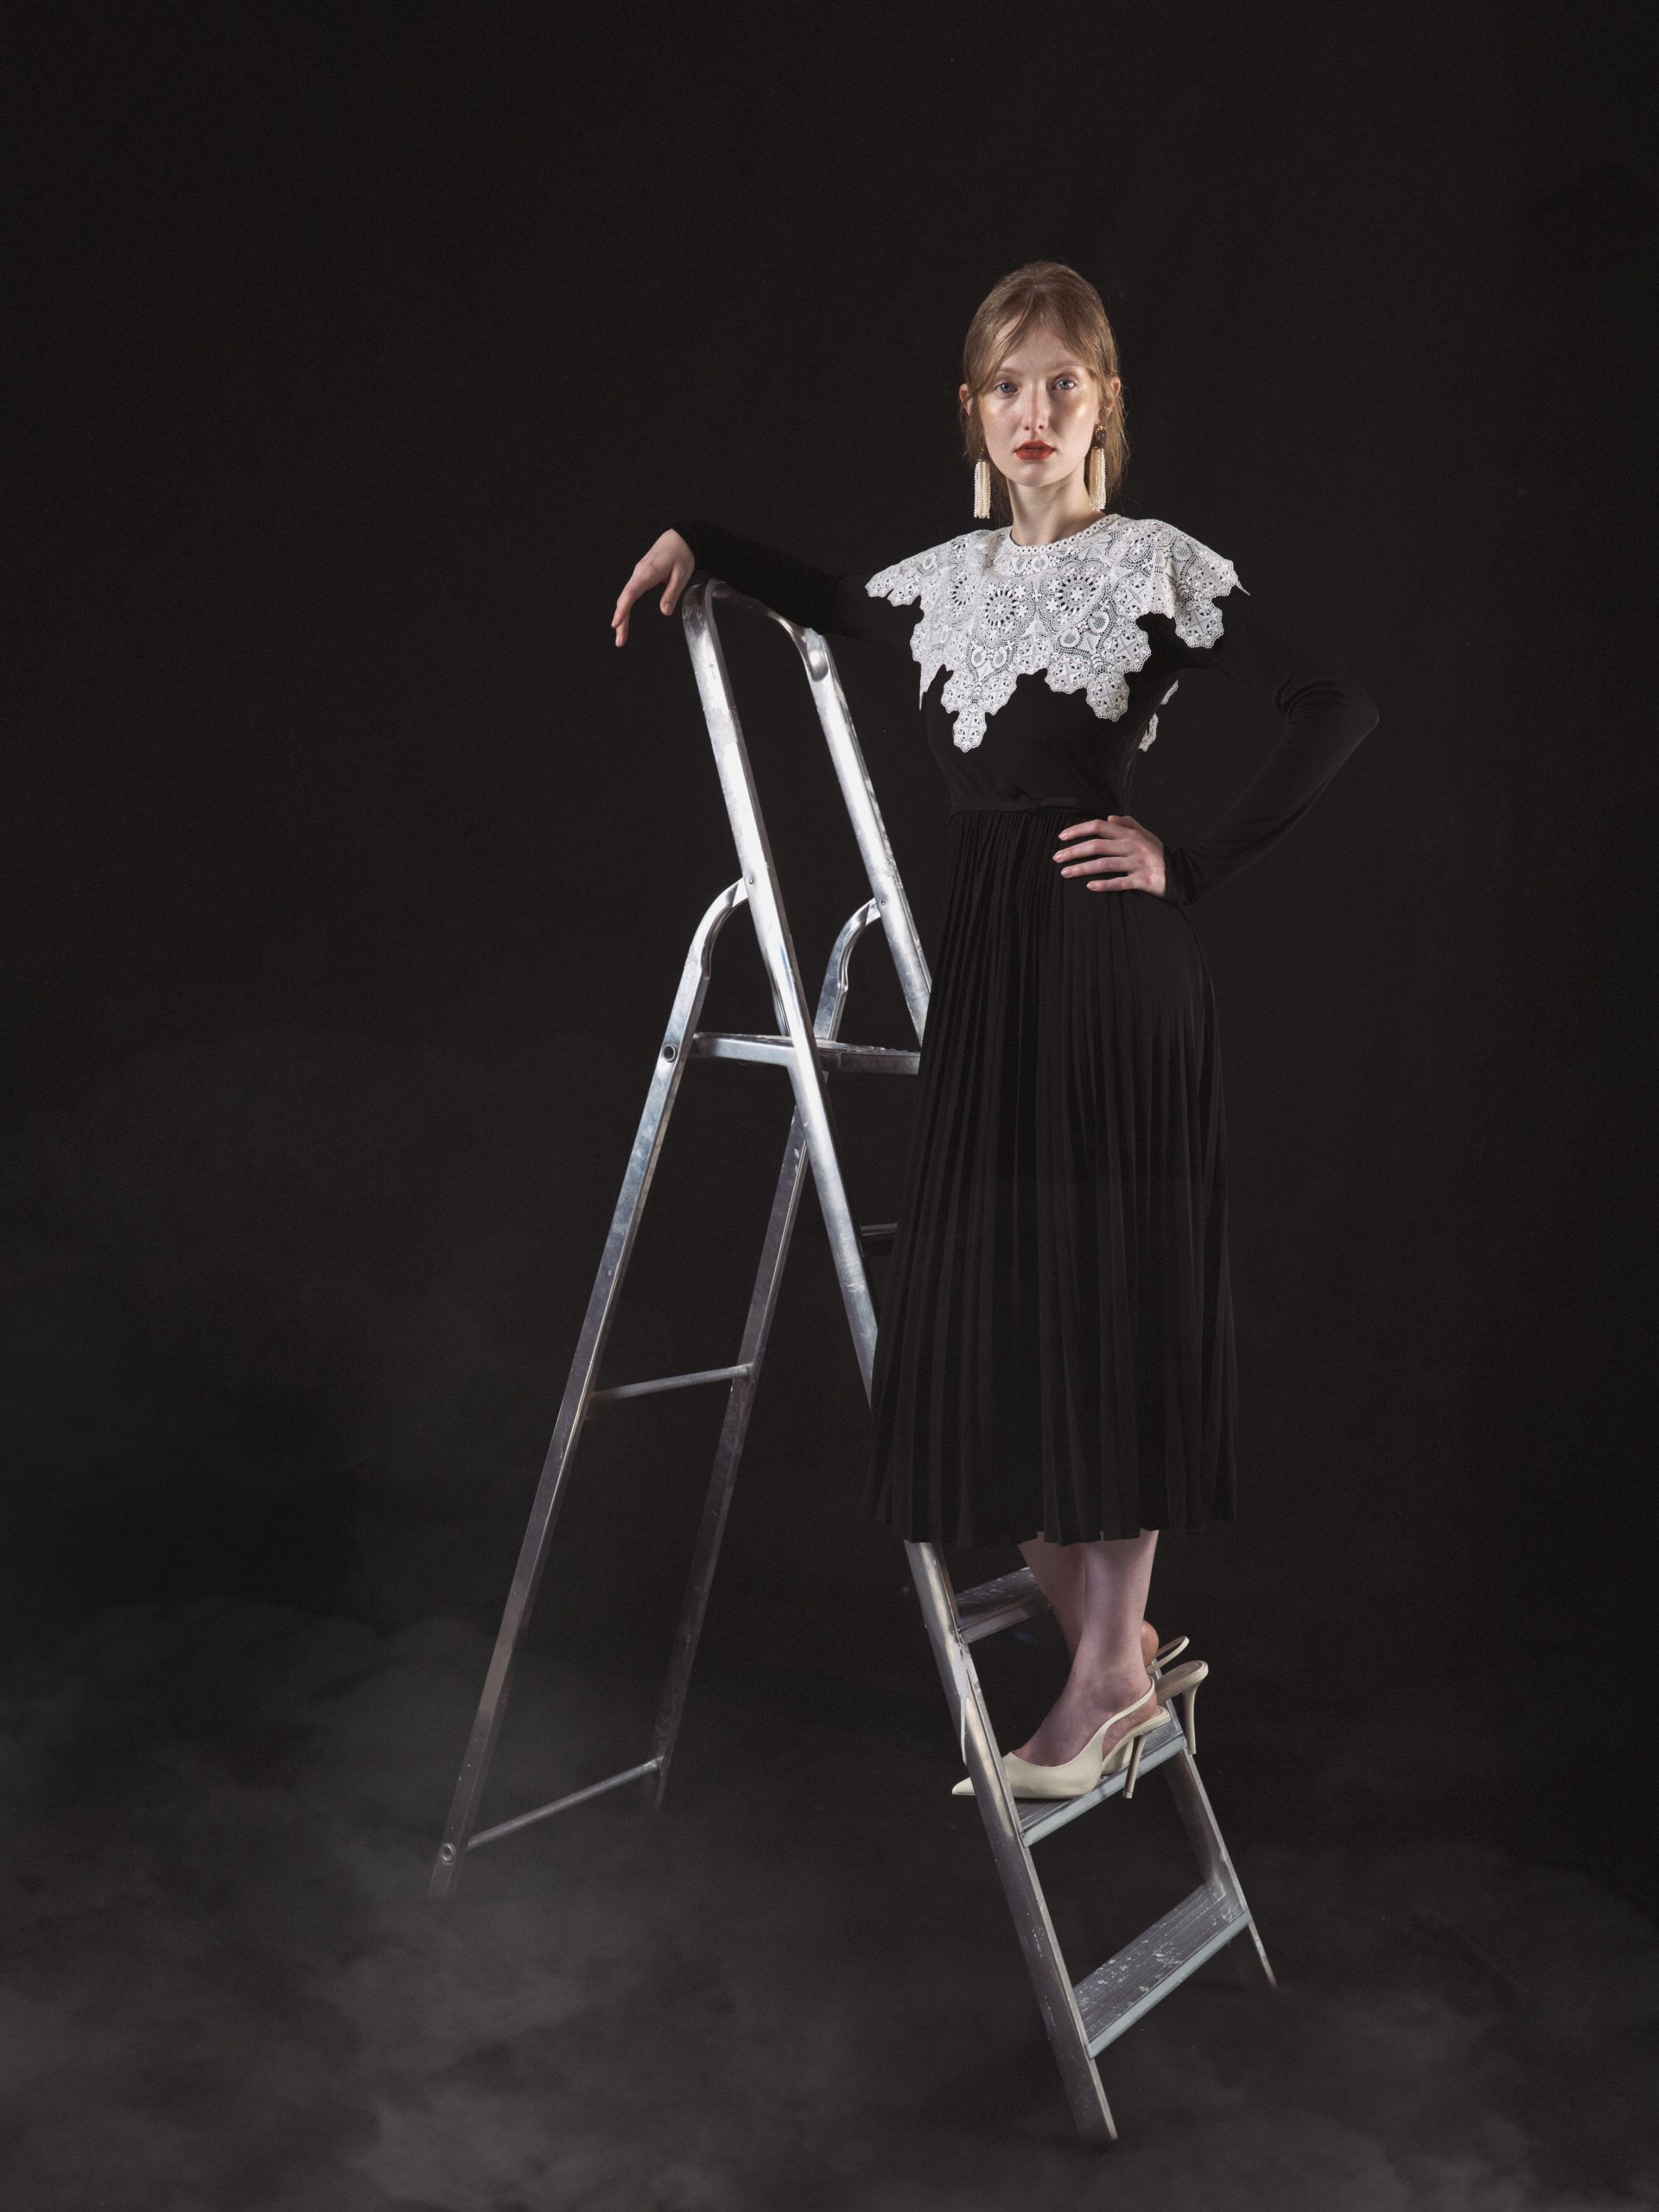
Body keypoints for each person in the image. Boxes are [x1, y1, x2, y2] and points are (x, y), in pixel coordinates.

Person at [611, 261, 1377, 1796]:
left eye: (1062, 385)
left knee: (1111, 1294)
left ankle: (1105, 1677)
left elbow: (1333, 705)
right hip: (990, 969)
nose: (1035, 413)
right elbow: (826, 598)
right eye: (1007, 388)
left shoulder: (1154, 564)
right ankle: (1120, 1646)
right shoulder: (946, 582)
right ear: (973, 413)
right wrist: (701, 536)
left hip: (1108, 966)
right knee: (988, 1316)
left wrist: (1191, 863)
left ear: (1104, 406)